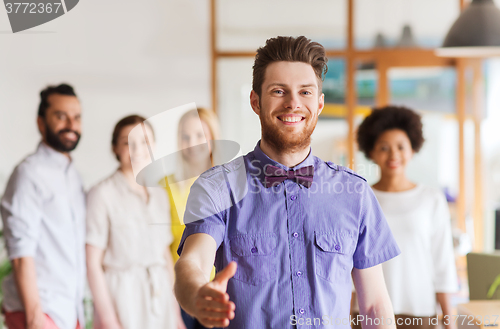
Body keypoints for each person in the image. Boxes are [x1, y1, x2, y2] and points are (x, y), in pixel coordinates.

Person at [174, 36, 401, 329]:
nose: (293, 103)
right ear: (256, 101)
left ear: (319, 103)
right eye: (279, 91)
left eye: (305, 92)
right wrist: (197, 296)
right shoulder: (217, 187)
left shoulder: (355, 193)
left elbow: (374, 304)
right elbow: (191, 264)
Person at [356, 106, 458, 329]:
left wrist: (450, 319)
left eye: (401, 147)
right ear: (371, 152)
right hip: (367, 313)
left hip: (419, 311)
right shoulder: (361, 198)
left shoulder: (431, 199)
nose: (394, 155)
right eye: (384, 147)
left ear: (412, 149)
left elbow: (443, 263)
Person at [85, 115, 185, 329]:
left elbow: (164, 255)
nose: (138, 149)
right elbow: (92, 263)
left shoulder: (159, 195)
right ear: (115, 148)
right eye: (128, 142)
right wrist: (109, 320)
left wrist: (176, 315)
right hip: (123, 299)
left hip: (161, 300)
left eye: (145, 142)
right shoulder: (101, 194)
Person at [0, 83, 85, 329]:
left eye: (76, 117)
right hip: (38, 312)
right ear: (40, 123)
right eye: (61, 116)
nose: (71, 124)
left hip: (69, 311)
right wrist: (36, 318)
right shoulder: (29, 174)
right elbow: (20, 254)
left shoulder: (73, 176)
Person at [163, 108, 220, 329]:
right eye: (185, 137)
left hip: (220, 289)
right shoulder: (165, 186)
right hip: (180, 291)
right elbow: (162, 246)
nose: (192, 143)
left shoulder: (228, 184)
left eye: (200, 135)